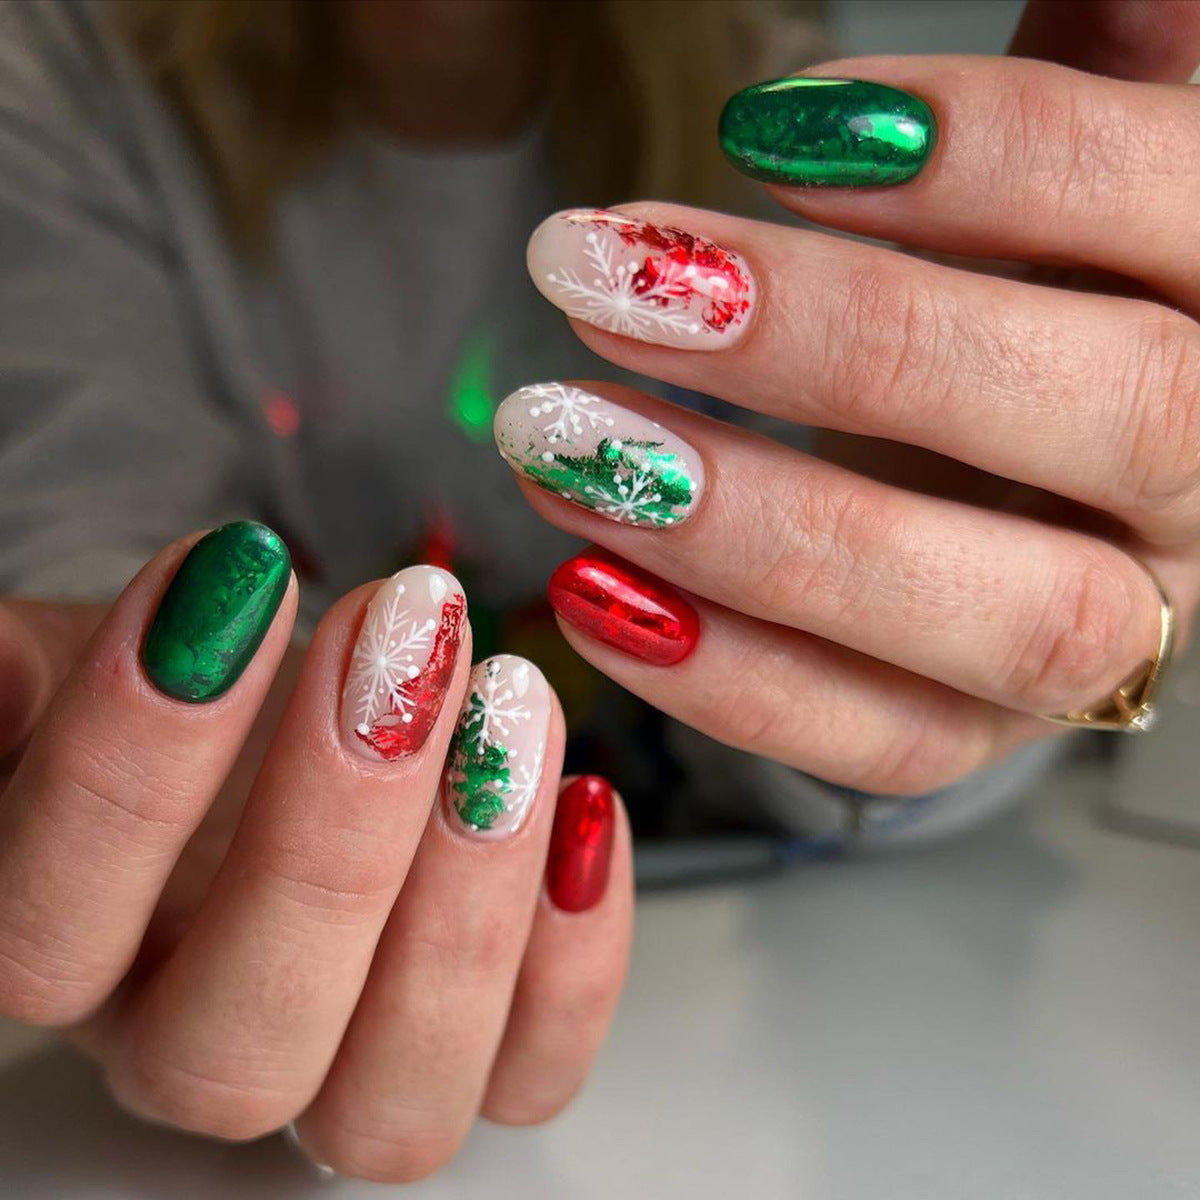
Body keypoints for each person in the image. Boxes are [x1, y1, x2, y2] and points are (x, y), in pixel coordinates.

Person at [0, 0, 1197, 1183]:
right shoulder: (63, 73)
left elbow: (926, 643)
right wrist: (132, 754)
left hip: (794, 1036)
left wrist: (991, 632)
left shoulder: (796, 102)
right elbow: (86, 505)